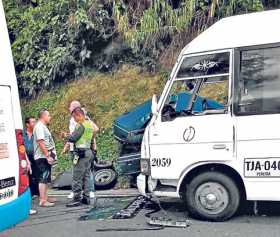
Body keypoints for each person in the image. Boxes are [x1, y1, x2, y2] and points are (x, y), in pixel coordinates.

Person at [64, 101, 98, 199]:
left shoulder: (81, 124)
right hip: (87, 151)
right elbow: (95, 130)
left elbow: (73, 137)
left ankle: (77, 196)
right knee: (87, 173)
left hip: (79, 152)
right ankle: (87, 194)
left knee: (77, 174)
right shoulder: (86, 122)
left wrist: (65, 137)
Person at [33, 109, 56, 207]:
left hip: (46, 156)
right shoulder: (39, 127)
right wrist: (47, 155)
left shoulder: (43, 126)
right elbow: (40, 142)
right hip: (42, 157)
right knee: (43, 177)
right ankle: (42, 200)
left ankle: (45, 197)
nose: (50, 117)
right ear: (43, 116)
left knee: (46, 178)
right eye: (49, 115)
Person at [23, 117, 39, 215]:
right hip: (25, 156)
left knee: (36, 174)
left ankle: (36, 193)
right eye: (32, 122)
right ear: (27, 124)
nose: (34, 123)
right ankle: (30, 193)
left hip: (35, 155)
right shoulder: (23, 134)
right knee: (27, 175)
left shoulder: (36, 133)